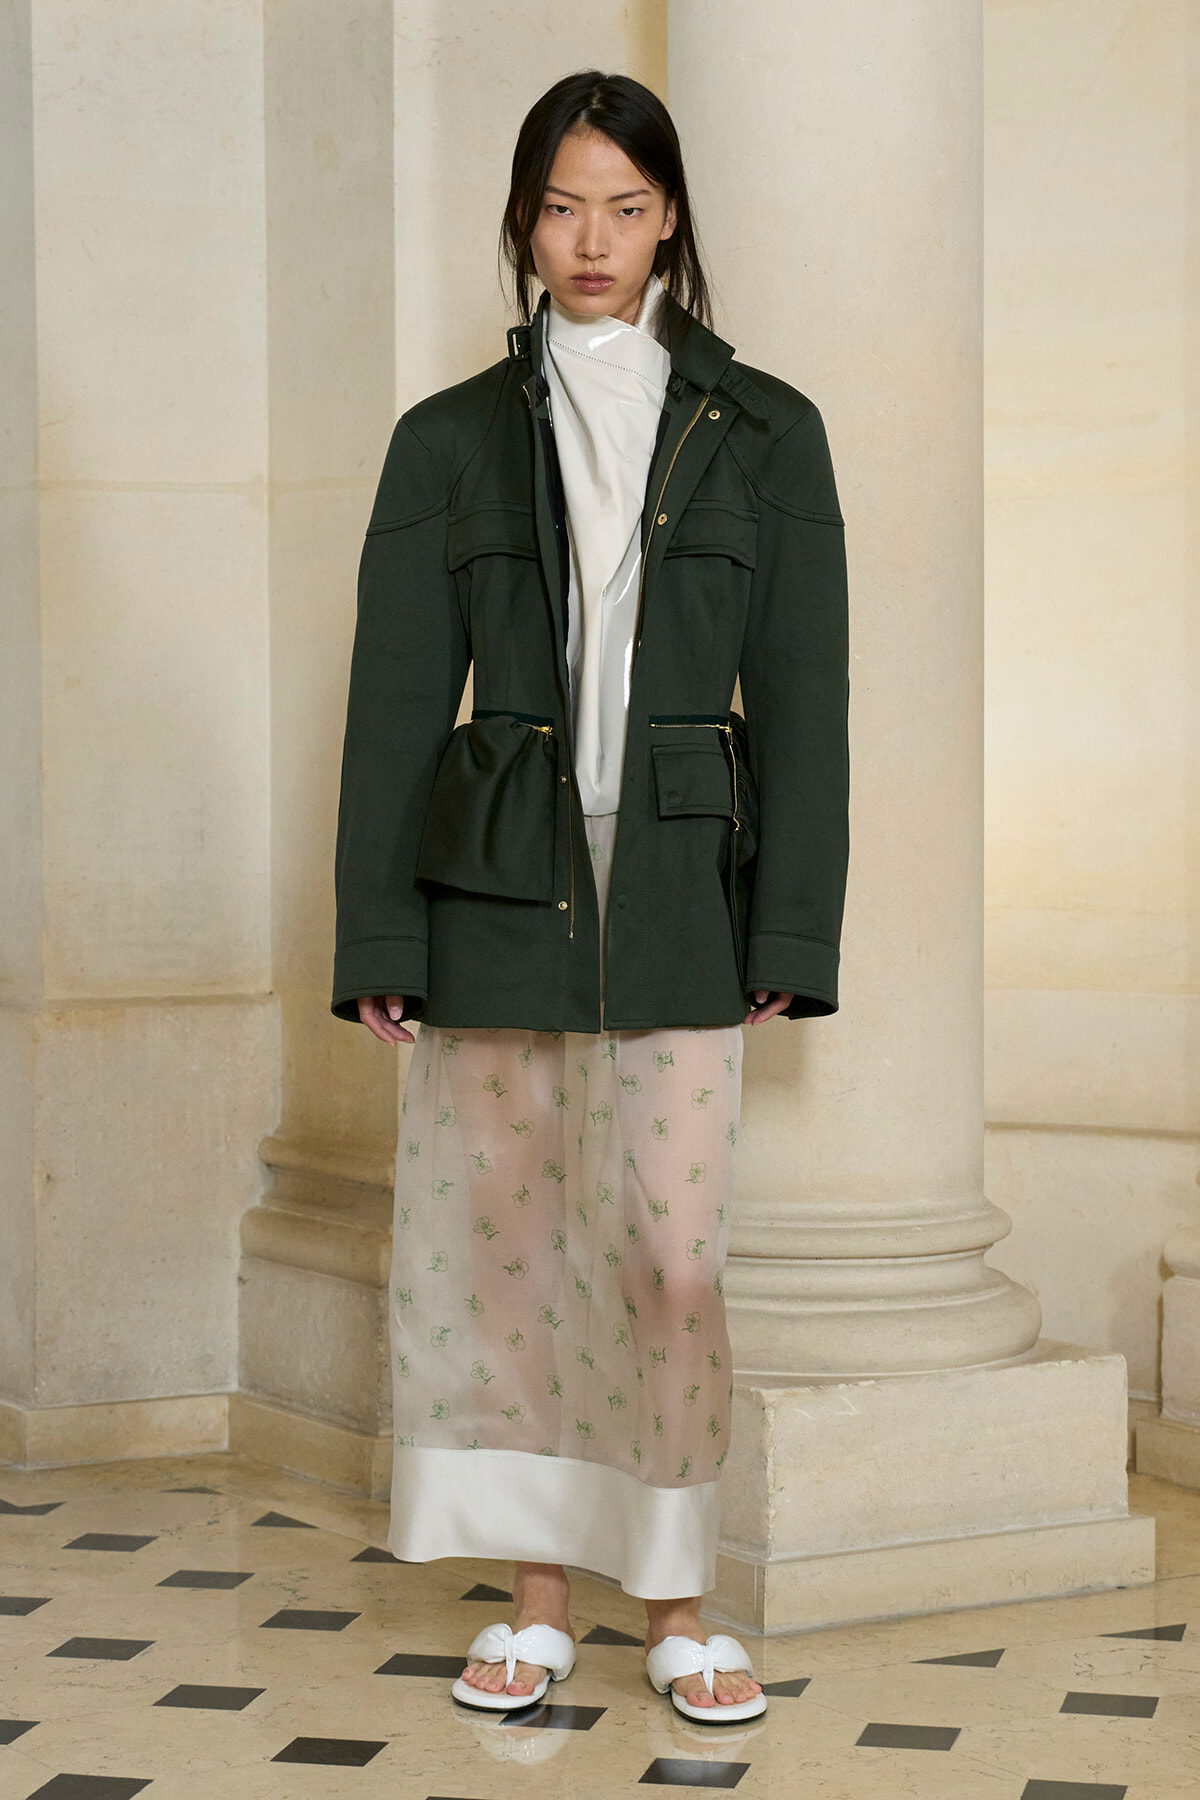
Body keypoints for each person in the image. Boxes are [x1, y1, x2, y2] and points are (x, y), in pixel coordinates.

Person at [331, 70, 849, 1725]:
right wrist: (380, 937)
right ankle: (539, 1601)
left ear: (670, 217)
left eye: (624, 206)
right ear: (524, 219)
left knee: (669, 1257)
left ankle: (680, 1602)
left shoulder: (767, 432)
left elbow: (808, 701)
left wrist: (792, 927)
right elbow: (395, 706)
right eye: (562, 207)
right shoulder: (446, 440)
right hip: (495, 887)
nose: (592, 239)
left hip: (686, 888)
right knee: (504, 1254)